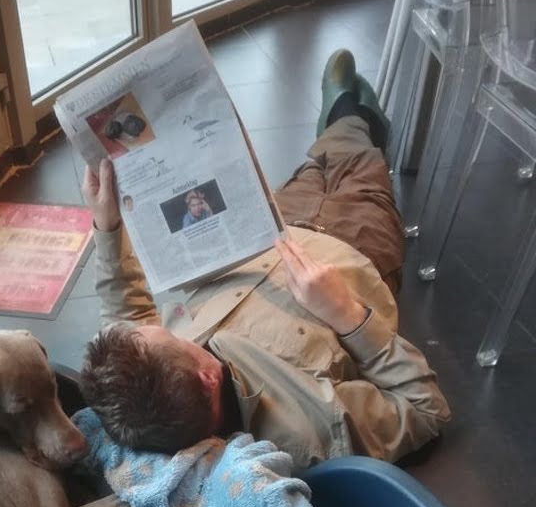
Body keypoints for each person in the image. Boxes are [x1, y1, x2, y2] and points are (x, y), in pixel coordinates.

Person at [79, 50, 451, 470]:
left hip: (271, 226)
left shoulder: (157, 384)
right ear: (208, 377)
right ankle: (351, 113)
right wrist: (346, 314)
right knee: (360, 160)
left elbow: (124, 318)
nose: (163, 327)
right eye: (177, 339)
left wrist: (107, 226)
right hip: (357, 242)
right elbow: (425, 409)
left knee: (312, 168)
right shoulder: (314, 430)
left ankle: (345, 121)